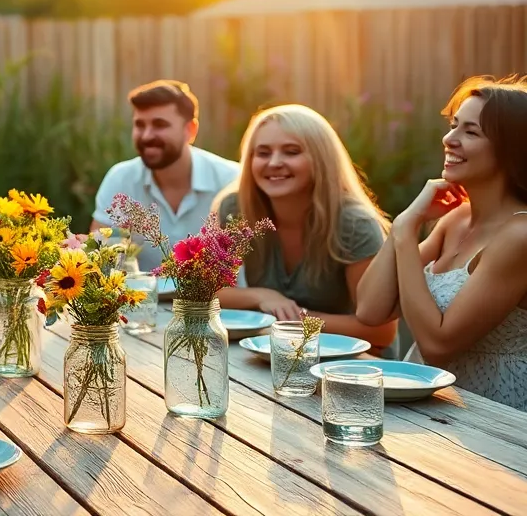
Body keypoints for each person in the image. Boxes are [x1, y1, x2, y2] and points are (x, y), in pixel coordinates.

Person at [356, 76, 527, 410]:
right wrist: (405, 223)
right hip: (429, 402)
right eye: (453, 126)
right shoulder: (455, 220)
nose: (449, 139)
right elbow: (370, 309)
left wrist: (405, 233)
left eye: (470, 131)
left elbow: (437, 344)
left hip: (492, 411)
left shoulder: (519, 236)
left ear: (511, 149)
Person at [213, 105, 397, 351]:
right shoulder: (237, 208)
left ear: (321, 159)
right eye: (263, 153)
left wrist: (294, 318)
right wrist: (263, 297)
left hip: (354, 367)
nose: (275, 162)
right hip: (275, 354)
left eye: (291, 152)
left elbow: (380, 332)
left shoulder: (355, 224)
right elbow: (209, 291)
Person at [91, 80, 240, 271]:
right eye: (139, 125)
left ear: (190, 130)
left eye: (159, 125)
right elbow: (103, 261)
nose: (146, 136)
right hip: (143, 299)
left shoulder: (231, 180)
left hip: (219, 301)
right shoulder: (120, 179)